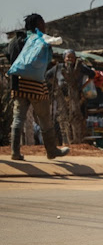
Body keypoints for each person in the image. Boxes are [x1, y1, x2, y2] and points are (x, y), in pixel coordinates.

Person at [5, 13, 69, 161]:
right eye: (43, 24)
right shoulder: (39, 39)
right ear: (38, 25)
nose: (44, 26)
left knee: (18, 118)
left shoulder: (14, 41)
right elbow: (47, 60)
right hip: (36, 85)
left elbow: (9, 57)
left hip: (18, 84)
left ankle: (15, 152)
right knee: (44, 118)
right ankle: (52, 151)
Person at [46, 49, 95, 145]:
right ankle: (65, 141)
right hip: (62, 98)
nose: (70, 59)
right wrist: (55, 85)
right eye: (68, 57)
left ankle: (77, 141)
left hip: (76, 97)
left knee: (76, 117)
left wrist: (84, 85)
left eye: (72, 57)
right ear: (64, 58)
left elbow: (92, 74)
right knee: (63, 118)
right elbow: (47, 76)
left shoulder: (79, 67)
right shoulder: (59, 67)